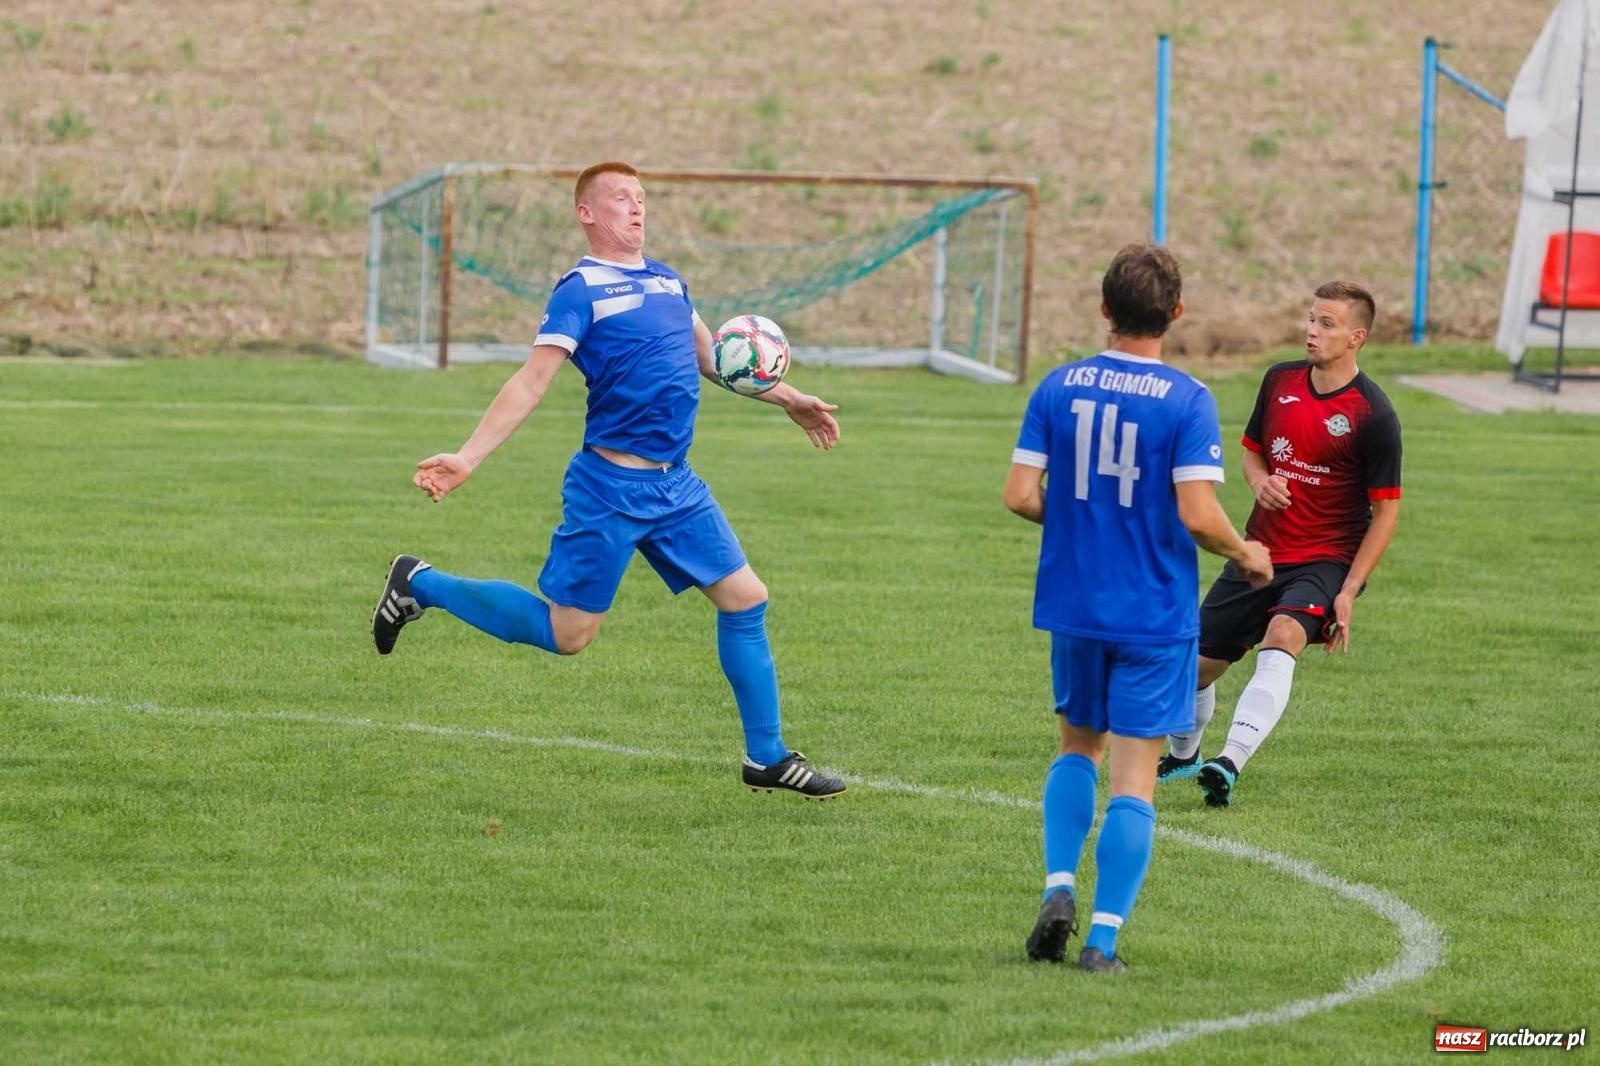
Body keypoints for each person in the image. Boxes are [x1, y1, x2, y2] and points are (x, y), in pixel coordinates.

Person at [371, 160, 848, 799]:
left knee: (745, 599)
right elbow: (532, 380)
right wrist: (469, 457)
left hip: (676, 487)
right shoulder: (580, 290)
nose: (637, 207)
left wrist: (787, 396)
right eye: (621, 198)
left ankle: (766, 757)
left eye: (642, 198)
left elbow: (714, 359)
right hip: (610, 489)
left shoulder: (669, 283)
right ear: (587, 213)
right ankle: (420, 584)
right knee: (569, 635)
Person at [1005, 243, 1272, 972]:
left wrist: (1077, 520)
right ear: (1176, 314)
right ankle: (1102, 941)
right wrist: (1246, 552)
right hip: (1152, 613)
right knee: (1135, 778)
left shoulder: (1058, 387)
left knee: (1074, 749)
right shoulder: (1187, 400)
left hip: (1075, 603)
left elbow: (1020, 495)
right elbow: (1196, 512)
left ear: (1103, 307)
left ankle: (1058, 886)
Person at [1156, 281, 1402, 808]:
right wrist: (1260, 482)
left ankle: (1230, 761)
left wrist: (1350, 590)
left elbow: (1386, 514)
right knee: (1192, 670)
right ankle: (1185, 754)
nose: (1312, 330)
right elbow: (1252, 455)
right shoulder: (1280, 380)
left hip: (1326, 558)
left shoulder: (1373, 414)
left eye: (1327, 323)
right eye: (1312, 319)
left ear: (1357, 337)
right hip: (1259, 551)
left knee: (1284, 634)